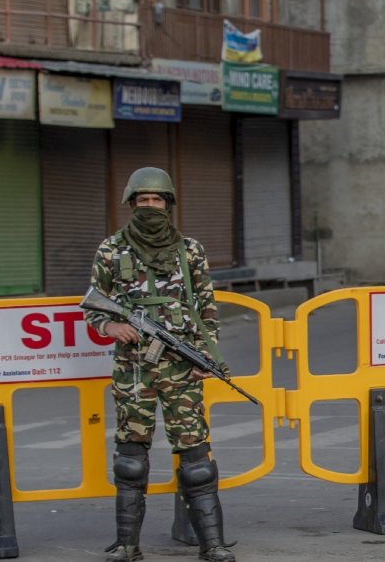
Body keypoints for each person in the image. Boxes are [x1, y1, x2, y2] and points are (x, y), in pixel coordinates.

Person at [84, 167, 236, 562]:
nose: (149, 206)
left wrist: (207, 357)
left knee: (195, 457)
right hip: (133, 368)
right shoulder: (111, 250)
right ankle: (127, 545)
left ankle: (212, 544)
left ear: (168, 205)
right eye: (143, 200)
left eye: (156, 200)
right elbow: (93, 304)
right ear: (131, 204)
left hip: (182, 367)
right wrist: (112, 324)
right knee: (131, 458)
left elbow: (206, 309)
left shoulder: (190, 251)